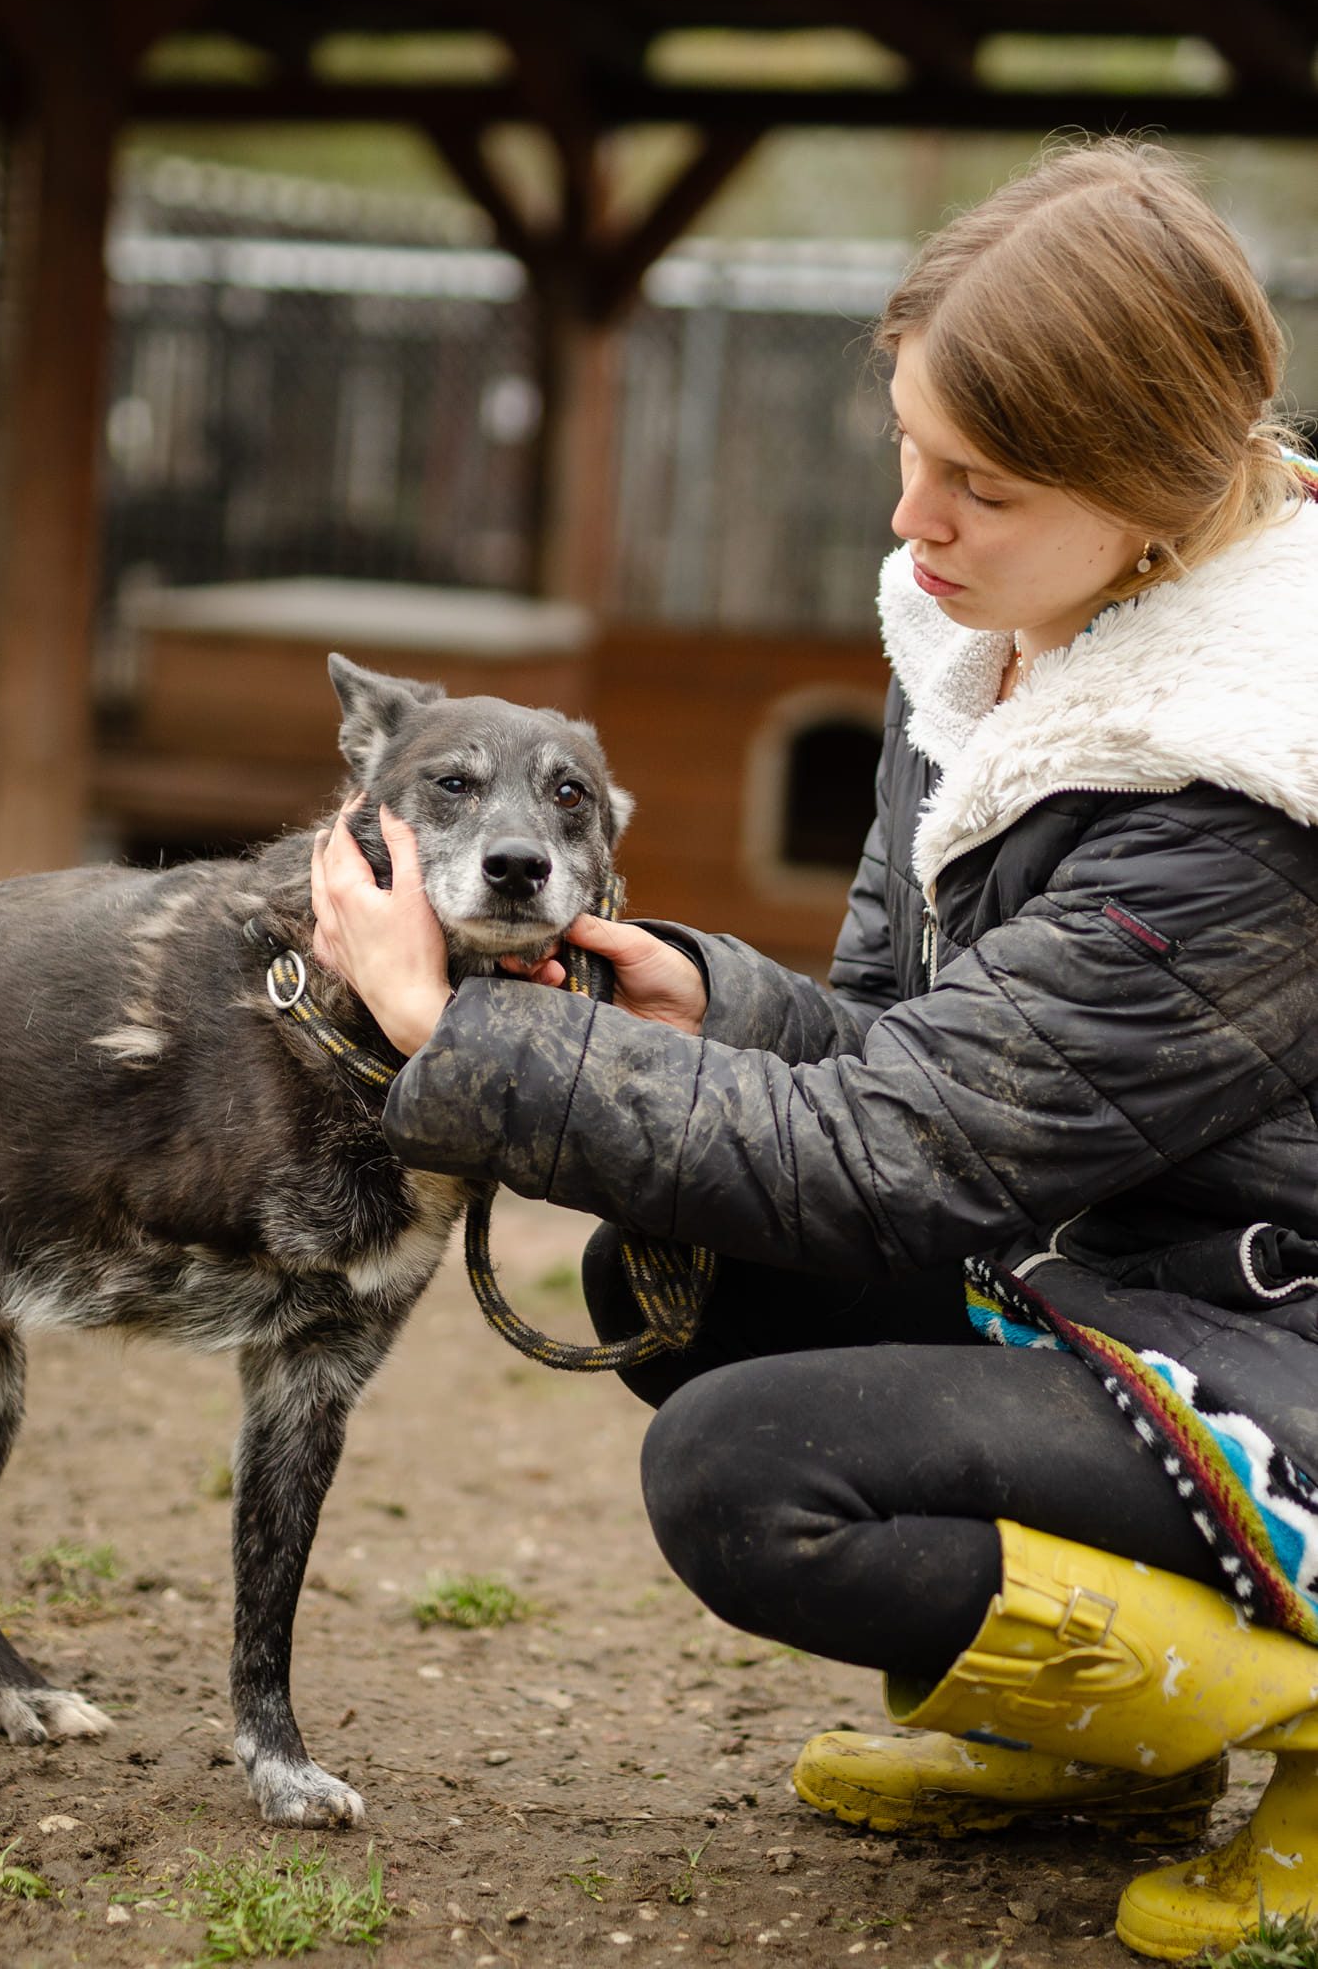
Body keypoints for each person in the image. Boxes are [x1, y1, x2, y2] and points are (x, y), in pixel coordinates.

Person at [310, 140, 1318, 1961]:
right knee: (673, 1283)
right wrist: (722, 1001)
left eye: (977, 483)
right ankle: (1099, 1747)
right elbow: (918, 1050)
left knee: (747, 1472)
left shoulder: (1253, 782)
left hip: (1278, 1351)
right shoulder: (993, 647)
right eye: (908, 450)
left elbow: (905, 1159)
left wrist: (439, 1027)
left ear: (1150, 497)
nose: (914, 521)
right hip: (1109, 1278)